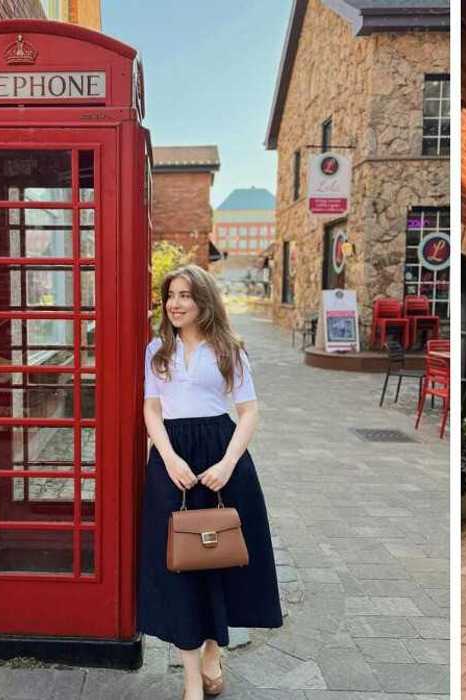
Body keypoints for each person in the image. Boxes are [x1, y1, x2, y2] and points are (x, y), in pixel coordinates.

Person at [139, 264, 283, 699]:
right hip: (172, 459)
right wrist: (167, 458)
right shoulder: (156, 349)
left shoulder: (228, 349)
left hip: (221, 455)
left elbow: (249, 411)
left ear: (204, 301)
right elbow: (151, 408)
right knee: (178, 564)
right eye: (171, 295)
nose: (175, 303)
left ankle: (213, 652)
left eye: (185, 295)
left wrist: (227, 463)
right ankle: (190, 681)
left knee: (217, 558)